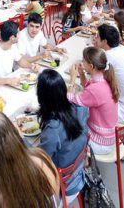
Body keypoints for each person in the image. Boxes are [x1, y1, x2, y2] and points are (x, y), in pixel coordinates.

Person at [36, 69, 88, 203]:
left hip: (63, 186)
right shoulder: (77, 108)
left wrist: (20, 138)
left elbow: (41, 159)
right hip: (78, 172)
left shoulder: (53, 128)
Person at [68, 47, 119, 154]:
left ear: (91, 66)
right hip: (108, 136)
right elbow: (88, 87)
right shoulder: (104, 78)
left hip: (100, 143)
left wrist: (72, 79)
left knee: (66, 128)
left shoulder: (96, 89)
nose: (81, 62)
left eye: (83, 61)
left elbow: (70, 102)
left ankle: (79, 165)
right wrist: (81, 74)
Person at [0, 21, 39, 87]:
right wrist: (7, 81)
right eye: (18, 33)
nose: (20, 34)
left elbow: (20, 61)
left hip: (7, 83)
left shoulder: (12, 46)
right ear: (12, 37)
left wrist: (31, 66)